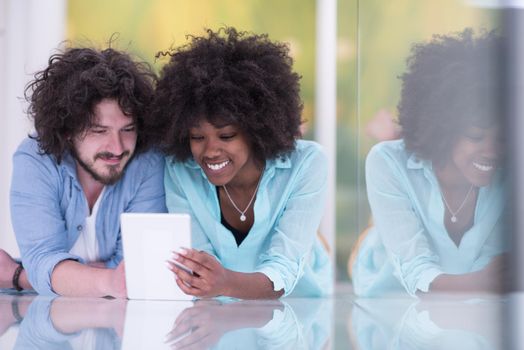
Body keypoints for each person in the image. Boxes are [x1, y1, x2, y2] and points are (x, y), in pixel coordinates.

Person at [149, 27, 332, 299]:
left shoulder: (307, 164)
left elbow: (284, 267)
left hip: (298, 313)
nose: (210, 151)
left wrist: (223, 282)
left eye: (227, 135)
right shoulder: (180, 171)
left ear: (256, 128)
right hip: (215, 315)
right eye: (197, 136)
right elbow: (199, 266)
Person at [351, 29, 507, 297]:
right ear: (443, 128)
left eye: (502, 137)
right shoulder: (387, 161)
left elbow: (498, 268)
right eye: (475, 136)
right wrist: (484, 282)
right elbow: (414, 270)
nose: (491, 151)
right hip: (389, 302)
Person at [0, 46, 166, 297]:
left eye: (128, 129)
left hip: (123, 323)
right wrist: (105, 279)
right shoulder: (35, 159)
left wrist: (20, 276)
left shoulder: (148, 161)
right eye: (100, 131)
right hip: (48, 325)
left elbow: (134, 272)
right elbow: (45, 262)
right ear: (67, 130)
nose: (118, 147)